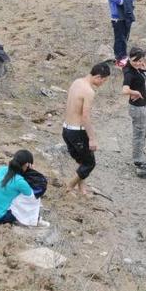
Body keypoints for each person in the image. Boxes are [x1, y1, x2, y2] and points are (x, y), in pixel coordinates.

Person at [62, 63, 111, 196]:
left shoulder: (77, 82)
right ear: (98, 77)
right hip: (77, 131)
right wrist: (92, 138)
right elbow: (85, 117)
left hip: (66, 129)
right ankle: (70, 185)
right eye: (104, 80)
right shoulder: (89, 91)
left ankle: (82, 189)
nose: (103, 83)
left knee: (81, 161)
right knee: (90, 163)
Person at [0, 150, 46, 226]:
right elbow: (31, 197)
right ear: (27, 164)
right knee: (32, 198)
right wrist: (31, 171)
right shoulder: (19, 181)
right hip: (0, 218)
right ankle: (35, 220)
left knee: (10, 192)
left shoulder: (2, 169)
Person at [122, 47, 146, 168]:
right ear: (130, 58)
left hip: (141, 107)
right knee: (139, 133)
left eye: (140, 60)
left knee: (143, 132)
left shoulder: (136, 68)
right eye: (135, 60)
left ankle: (139, 152)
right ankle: (138, 160)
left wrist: (144, 67)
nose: (138, 63)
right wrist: (135, 93)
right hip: (137, 108)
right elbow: (124, 90)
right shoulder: (129, 73)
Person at [106, 0, 135, 68]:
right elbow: (117, 0)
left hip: (127, 14)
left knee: (125, 36)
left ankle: (124, 56)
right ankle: (119, 58)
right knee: (119, 37)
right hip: (117, 17)